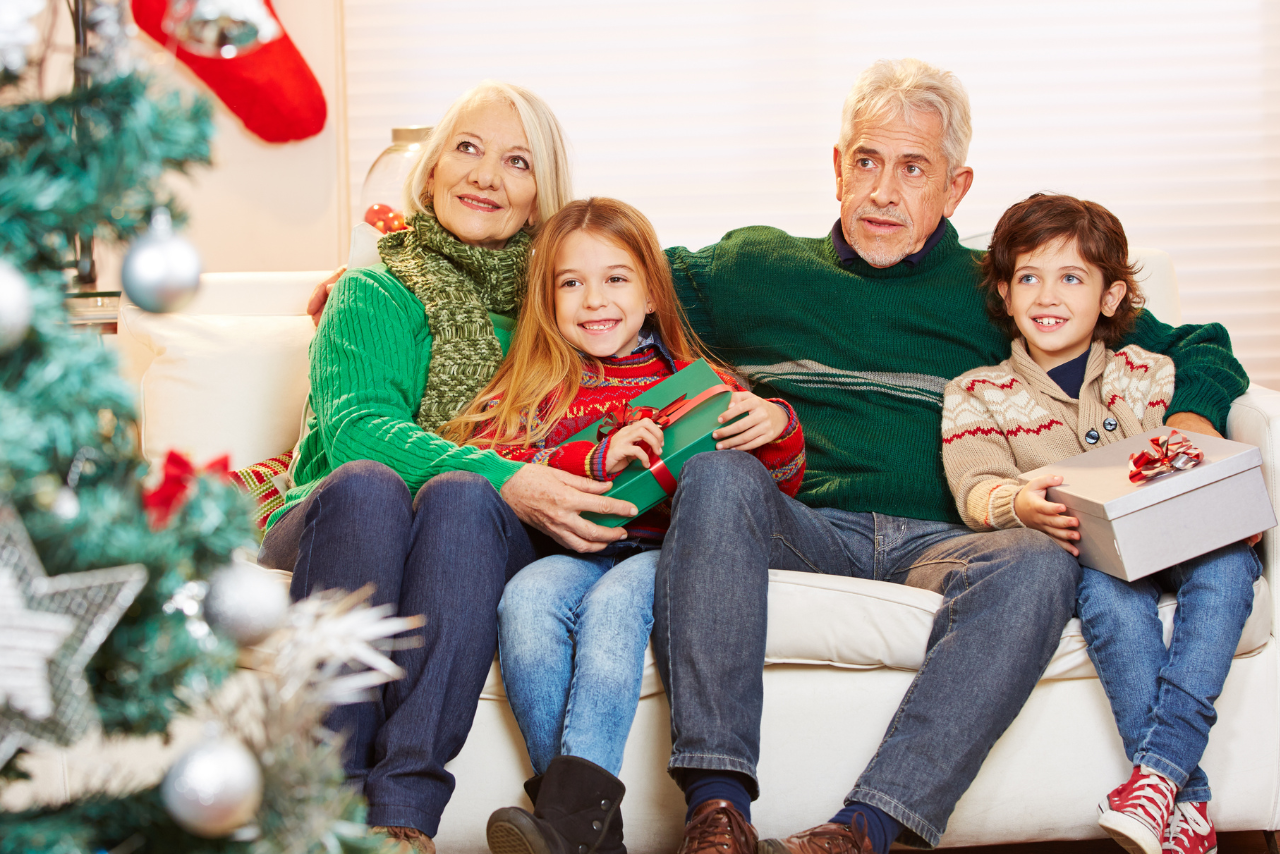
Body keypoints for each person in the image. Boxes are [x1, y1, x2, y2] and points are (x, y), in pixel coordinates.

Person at [652, 58, 1250, 854]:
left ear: (956, 188)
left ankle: (864, 830)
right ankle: (717, 814)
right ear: (837, 168)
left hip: (949, 541)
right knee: (717, 473)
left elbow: (1199, 345)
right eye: (866, 161)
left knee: (1042, 560)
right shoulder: (755, 268)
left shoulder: (1003, 287)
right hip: (802, 524)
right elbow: (609, 282)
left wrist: (1189, 429)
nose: (883, 192)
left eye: (913, 168)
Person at [257, 82, 637, 854]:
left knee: (461, 495)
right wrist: (510, 477)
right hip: (339, 519)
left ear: (541, 198)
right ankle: (325, 804)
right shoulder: (371, 291)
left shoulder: (563, 306)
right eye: (467, 148)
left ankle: (403, 812)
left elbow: (650, 271)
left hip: (469, 532)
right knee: (372, 486)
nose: (486, 176)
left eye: (517, 161)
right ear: (430, 171)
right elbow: (358, 435)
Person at [438, 197, 805, 854]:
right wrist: (594, 454)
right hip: (569, 551)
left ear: (652, 294)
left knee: (612, 608)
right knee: (525, 601)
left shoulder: (695, 382)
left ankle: (568, 826)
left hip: (661, 553)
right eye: (570, 283)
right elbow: (489, 459)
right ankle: (587, 833)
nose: (594, 300)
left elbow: (771, 489)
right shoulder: (534, 385)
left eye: (616, 278)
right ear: (547, 300)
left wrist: (776, 424)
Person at [941, 193, 1262, 854]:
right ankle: (1186, 799)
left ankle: (1156, 776)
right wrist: (1018, 504)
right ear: (1004, 293)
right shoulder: (977, 392)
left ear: (1110, 297)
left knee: (1233, 563)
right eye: (1028, 278)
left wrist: (1225, 496)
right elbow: (975, 485)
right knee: (1111, 602)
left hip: (1178, 537)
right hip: (1093, 558)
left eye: (1071, 278)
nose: (1047, 296)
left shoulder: (1149, 374)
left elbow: (1195, 455)